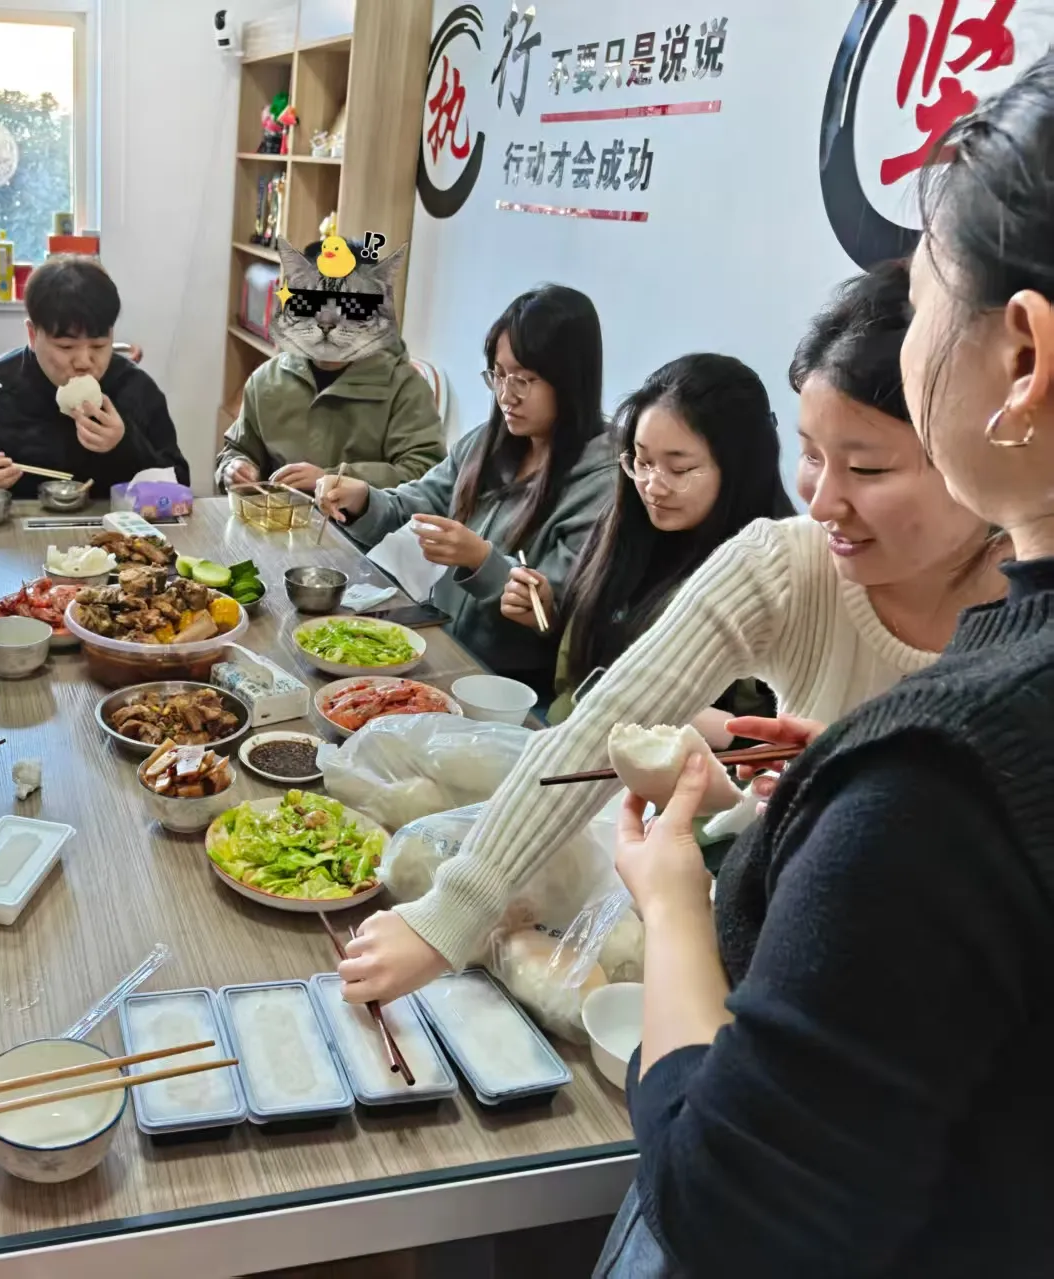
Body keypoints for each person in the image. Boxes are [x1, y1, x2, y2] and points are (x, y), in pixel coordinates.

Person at [594, 57, 1054, 1276]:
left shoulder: (945, 774)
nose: (824, 500)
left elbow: (723, 1207)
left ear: (1022, 355)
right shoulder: (932, 759)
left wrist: (673, 900)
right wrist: (838, 807)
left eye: (926, 287)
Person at [335, 258, 1008, 1012]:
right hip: (789, 942)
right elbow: (604, 718)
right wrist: (451, 913)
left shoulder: (1025, 630)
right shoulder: (788, 562)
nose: (822, 502)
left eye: (867, 467)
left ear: (980, 445)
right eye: (813, 456)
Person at [316, 284, 615, 695]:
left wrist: (481, 560)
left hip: (509, 685)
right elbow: (417, 503)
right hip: (441, 645)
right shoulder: (488, 442)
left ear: (571, 380)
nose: (506, 395)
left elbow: (560, 612)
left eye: (525, 379)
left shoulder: (602, 481)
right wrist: (364, 500)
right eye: (499, 374)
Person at [512, 353, 794, 730]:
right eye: (643, 462)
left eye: (679, 469)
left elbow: (773, 736)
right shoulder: (628, 524)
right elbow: (591, 665)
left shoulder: (769, 576)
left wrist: (718, 728)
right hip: (567, 735)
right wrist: (548, 616)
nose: (652, 487)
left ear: (742, 469)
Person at [0, 255, 189, 496]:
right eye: (66, 347)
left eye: (98, 345)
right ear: (32, 335)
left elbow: (179, 484)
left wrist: (125, 444)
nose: (84, 362)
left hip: (114, 531)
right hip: (14, 533)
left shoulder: (134, 388)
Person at [214, 236, 445, 492]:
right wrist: (235, 468)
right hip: (278, 515)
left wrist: (334, 479)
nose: (327, 320)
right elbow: (237, 449)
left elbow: (426, 474)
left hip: (360, 519)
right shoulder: (267, 380)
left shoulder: (404, 388)